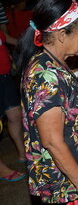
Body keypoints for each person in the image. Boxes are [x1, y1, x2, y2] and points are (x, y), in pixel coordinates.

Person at [17, 0, 78, 204]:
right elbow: (52, 141)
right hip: (65, 187)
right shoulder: (44, 75)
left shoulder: (55, 63)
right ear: (62, 35)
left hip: (75, 174)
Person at [0, 27, 25, 182]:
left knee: (15, 115)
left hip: (5, 79)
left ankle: (22, 153)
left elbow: (14, 41)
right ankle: (2, 169)